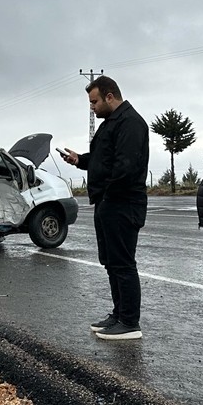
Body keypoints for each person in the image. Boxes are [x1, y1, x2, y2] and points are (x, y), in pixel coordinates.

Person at [60, 76, 149, 340]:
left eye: (94, 102)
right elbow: (103, 160)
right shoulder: (111, 123)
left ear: (110, 97)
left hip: (123, 204)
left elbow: (125, 168)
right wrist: (79, 160)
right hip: (109, 203)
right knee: (111, 262)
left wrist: (108, 196)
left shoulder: (131, 123)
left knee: (123, 263)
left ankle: (130, 323)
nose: (92, 107)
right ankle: (119, 315)